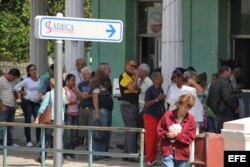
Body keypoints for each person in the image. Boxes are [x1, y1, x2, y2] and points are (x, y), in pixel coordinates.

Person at [157, 93, 196, 167]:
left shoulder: (191, 119)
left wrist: (177, 135)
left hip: (182, 153)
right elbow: (159, 130)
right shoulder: (167, 115)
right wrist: (167, 134)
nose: (186, 110)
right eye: (185, 107)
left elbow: (191, 137)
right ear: (179, 104)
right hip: (167, 150)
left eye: (189, 108)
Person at [34, 78, 66, 163]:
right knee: (59, 140)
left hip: (51, 119)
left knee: (46, 139)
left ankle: (42, 158)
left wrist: (37, 117)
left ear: (50, 85)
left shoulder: (49, 94)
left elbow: (43, 106)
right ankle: (60, 160)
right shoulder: (62, 94)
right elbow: (64, 106)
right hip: (61, 119)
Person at [89, 63, 113, 161]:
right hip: (101, 110)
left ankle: (104, 153)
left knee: (106, 133)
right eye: (108, 69)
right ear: (102, 70)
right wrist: (97, 112)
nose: (110, 71)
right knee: (99, 133)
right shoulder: (96, 80)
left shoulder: (107, 80)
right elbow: (95, 97)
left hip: (108, 109)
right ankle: (97, 155)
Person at [14, 64, 40, 147]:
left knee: (38, 121)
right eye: (31, 70)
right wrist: (22, 92)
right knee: (28, 120)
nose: (34, 71)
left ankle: (39, 140)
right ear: (29, 72)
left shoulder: (39, 79)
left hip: (36, 102)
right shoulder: (27, 80)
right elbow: (16, 87)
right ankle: (28, 140)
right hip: (27, 102)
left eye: (34, 69)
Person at [119, 59, 140, 162]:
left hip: (133, 105)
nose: (134, 68)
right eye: (132, 66)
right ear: (126, 65)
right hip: (128, 106)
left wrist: (135, 81)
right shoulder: (124, 76)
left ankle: (127, 154)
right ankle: (132, 155)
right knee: (132, 129)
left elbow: (138, 89)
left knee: (129, 130)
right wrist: (136, 77)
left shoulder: (131, 76)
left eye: (135, 66)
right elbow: (132, 88)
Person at [207, 66, 239, 133]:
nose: (230, 74)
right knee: (226, 135)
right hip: (225, 114)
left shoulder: (213, 83)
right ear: (225, 72)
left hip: (214, 113)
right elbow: (228, 98)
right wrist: (235, 108)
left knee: (214, 136)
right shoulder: (226, 83)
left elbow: (208, 99)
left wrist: (213, 109)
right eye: (229, 72)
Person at [144, 72, 166, 167]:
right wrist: (157, 99)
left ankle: (153, 159)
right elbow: (147, 103)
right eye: (160, 77)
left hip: (159, 117)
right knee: (150, 139)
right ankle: (148, 160)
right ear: (155, 79)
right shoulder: (150, 90)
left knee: (157, 139)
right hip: (150, 117)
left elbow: (162, 103)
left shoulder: (161, 89)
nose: (162, 78)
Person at [0, 68, 20, 146]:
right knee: (2, 126)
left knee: (10, 126)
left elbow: (12, 93)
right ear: (10, 75)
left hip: (11, 107)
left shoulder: (11, 82)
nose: (14, 80)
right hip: (4, 107)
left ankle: (9, 142)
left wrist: (15, 103)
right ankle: (1, 143)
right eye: (14, 78)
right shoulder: (1, 81)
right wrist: (1, 106)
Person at [63, 74, 79, 159]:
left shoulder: (75, 89)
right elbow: (65, 101)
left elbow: (80, 97)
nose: (73, 82)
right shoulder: (64, 89)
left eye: (74, 80)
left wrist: (76, 91)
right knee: (68, 134)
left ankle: (72, 151)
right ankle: (66, 152)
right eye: (72, 80)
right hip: (68, 113)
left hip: (76, 113)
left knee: (74, 134)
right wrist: (73, 102)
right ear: (67, 81)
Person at [77, 67, 93, 146]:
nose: (84, 76)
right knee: (84, 129)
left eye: (86, 74)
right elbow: (80, 97)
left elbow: (92, 95)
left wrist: (83, 94)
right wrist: (86, 94)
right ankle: (86, 144)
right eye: (83, 75)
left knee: (92, 127)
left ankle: (91, 145)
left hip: (91, 108)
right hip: (83, 108)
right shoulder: (80, 85)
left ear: (90, 74)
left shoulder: (93, 83)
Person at [138, 63, 153, 128]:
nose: (137, 72)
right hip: (137, 108)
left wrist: (144, 111)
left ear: (144, 72)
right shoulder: (138, 80)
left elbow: (150, 98)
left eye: (139, 70)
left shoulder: (149, 83)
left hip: (144, 110)